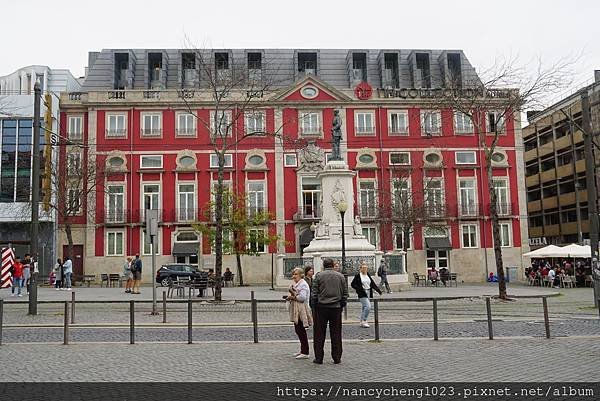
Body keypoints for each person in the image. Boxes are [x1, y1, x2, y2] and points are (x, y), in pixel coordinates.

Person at [310, 258, 348, 365]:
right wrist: (342, 304)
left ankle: (319, 358)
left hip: (321, 307)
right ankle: (336, 357)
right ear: (332, 265)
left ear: (324, 265)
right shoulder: (340, 276)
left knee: (319, 334)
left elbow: (314, 293)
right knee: (336, 333)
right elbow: (345, 293)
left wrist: (314, 306)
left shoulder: (319, 276)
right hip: (336, 308)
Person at [286, 267, 312, 360]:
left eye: (296, 274)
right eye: (293, 274)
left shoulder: (303, 284)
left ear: (301, 275)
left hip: (302, 310)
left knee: (301, 330)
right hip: (297, 310)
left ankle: (305, 351)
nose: (294, 276)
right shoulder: (297, 284)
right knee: (298, 330)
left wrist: (292, 297)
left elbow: (302, 298)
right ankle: (302, 350)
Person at [351, 262, 382, 328]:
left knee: (364, 307)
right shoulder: (358, 276)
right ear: (360, 269)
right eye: (363, 268)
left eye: (366, 268)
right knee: (368, 306)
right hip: (362, 293)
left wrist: (378, 290)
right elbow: (353, 284)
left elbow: (372, 283)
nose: (365, 269)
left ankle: (362, 321)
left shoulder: (368, 275)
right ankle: (364, 320)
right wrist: (358, 289)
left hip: (368, 292)